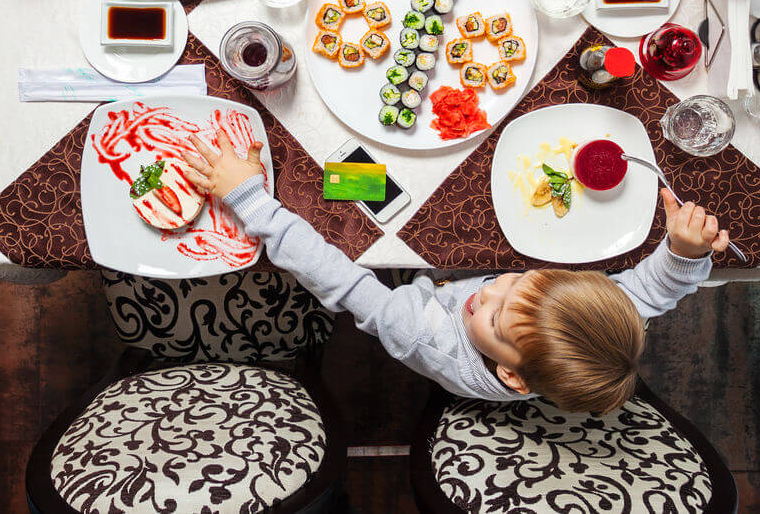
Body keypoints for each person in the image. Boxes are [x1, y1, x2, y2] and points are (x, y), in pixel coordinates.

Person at [184, 133, 728, 412]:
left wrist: (252, 202)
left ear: (512, 377)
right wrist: (683, 252)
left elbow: (340, 281)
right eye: (516, 283)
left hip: (415, 298)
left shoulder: (423, 335)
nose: (486, 294)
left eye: (493, 320)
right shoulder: (597, 316)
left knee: (350, 199)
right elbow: (654, 291)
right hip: (460, 285)